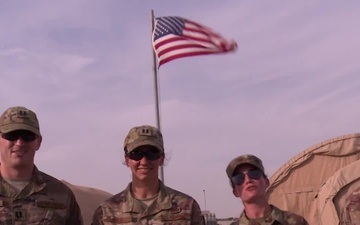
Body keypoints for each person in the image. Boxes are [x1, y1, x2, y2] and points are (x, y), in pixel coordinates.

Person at [92, 125, 205, 225]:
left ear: (161, 158)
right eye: (136, 154)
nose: (144, 161)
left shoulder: (187, 208)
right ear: (127, 160)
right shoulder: (107, 213)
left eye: (152, 154)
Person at [0, 106, 83, 224]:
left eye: (27, 136)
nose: (19, 143)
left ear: (38, 142)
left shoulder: (63, 196)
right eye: (12, 135)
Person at [226, 154, 309, 225]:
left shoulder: (295, 222)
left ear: (266, 182)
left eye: (254, 174)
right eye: (239, 178)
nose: (248, 180)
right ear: (235, 192)